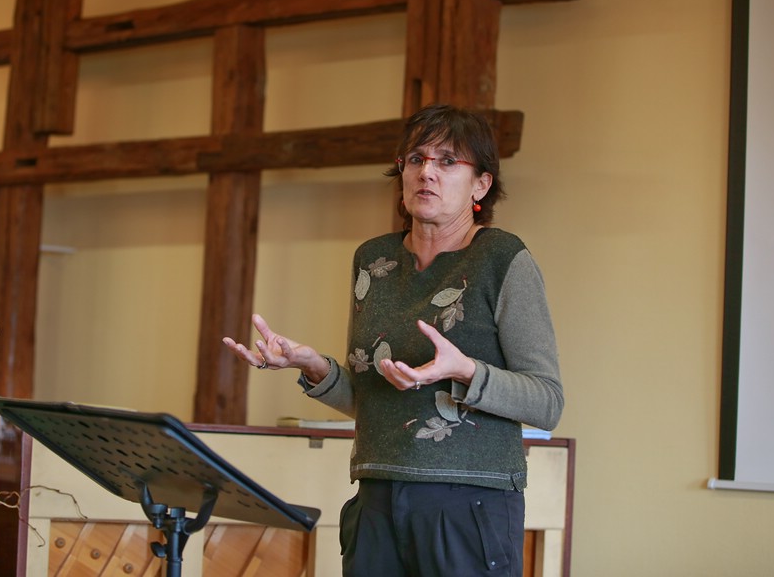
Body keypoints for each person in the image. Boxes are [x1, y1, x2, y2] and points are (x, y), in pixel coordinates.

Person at [223, 103, 563, 577]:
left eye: (448, 161)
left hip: (469, 504)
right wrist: (313, 366)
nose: (427, 172)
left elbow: (547, 402)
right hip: (377, 499)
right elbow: (376, 401)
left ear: (481, 185)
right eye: (416, 159)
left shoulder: (504, 258)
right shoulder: (373, 260)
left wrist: (464, 370)